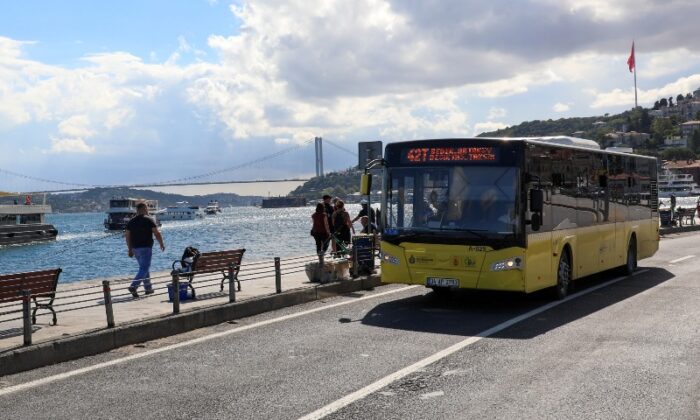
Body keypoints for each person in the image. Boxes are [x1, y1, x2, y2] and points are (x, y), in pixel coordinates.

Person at [125, 202, 165, 298]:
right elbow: (156, 233)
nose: (147, 210)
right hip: (146, 248)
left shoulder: (131, 222)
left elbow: (127, 237)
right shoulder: (149, 220)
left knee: (144, 268)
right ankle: (133, 286)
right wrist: (161, 243)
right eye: (146, 208)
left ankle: (148, 288)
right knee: (144, 268)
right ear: (143, 209)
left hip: (135, 249)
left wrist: (130, 249)